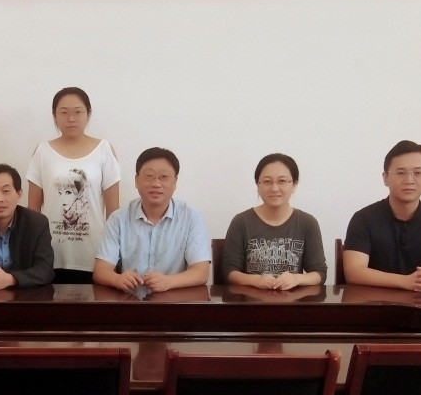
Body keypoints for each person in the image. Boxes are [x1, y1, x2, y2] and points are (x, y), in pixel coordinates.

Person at [343, 139, 421, 291]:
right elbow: (354, 272)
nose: (409, 180)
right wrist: (406, 282)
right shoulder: (363, 219)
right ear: (385, 177)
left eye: (418, 173)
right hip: (373, 302)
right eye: (400, 173)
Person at [26, 87, 121, 283]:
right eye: (64, 112)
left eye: (78, 112)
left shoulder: (104, 150)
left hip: (94, 254)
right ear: (54, 115)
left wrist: (113, 254)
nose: (71, 118)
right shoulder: (42, 151)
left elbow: (114, 212)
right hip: (51, 253)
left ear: (88, 114)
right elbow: (33, 210)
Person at [94, 147, 211, 292]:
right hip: (130, 300)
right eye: (149, 176)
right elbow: (101, 271)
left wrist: (169, 282)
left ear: (175, 182)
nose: (156, 184)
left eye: (164, 177)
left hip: (175, 300)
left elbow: (201, 272)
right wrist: (117, 279)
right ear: (136, 180)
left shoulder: (191, 217)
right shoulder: (118, 219)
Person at [221, 153, 327, 290]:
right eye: (267, 181)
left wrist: (297, 278)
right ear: (257, 185)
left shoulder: (307, 223)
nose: (274, 188)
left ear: (294, 184)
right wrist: (255, 280)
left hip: (293, 301)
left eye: (282, 181)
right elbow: (229, 271)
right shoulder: (241, 222)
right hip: (250, 300)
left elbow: (319, 272)